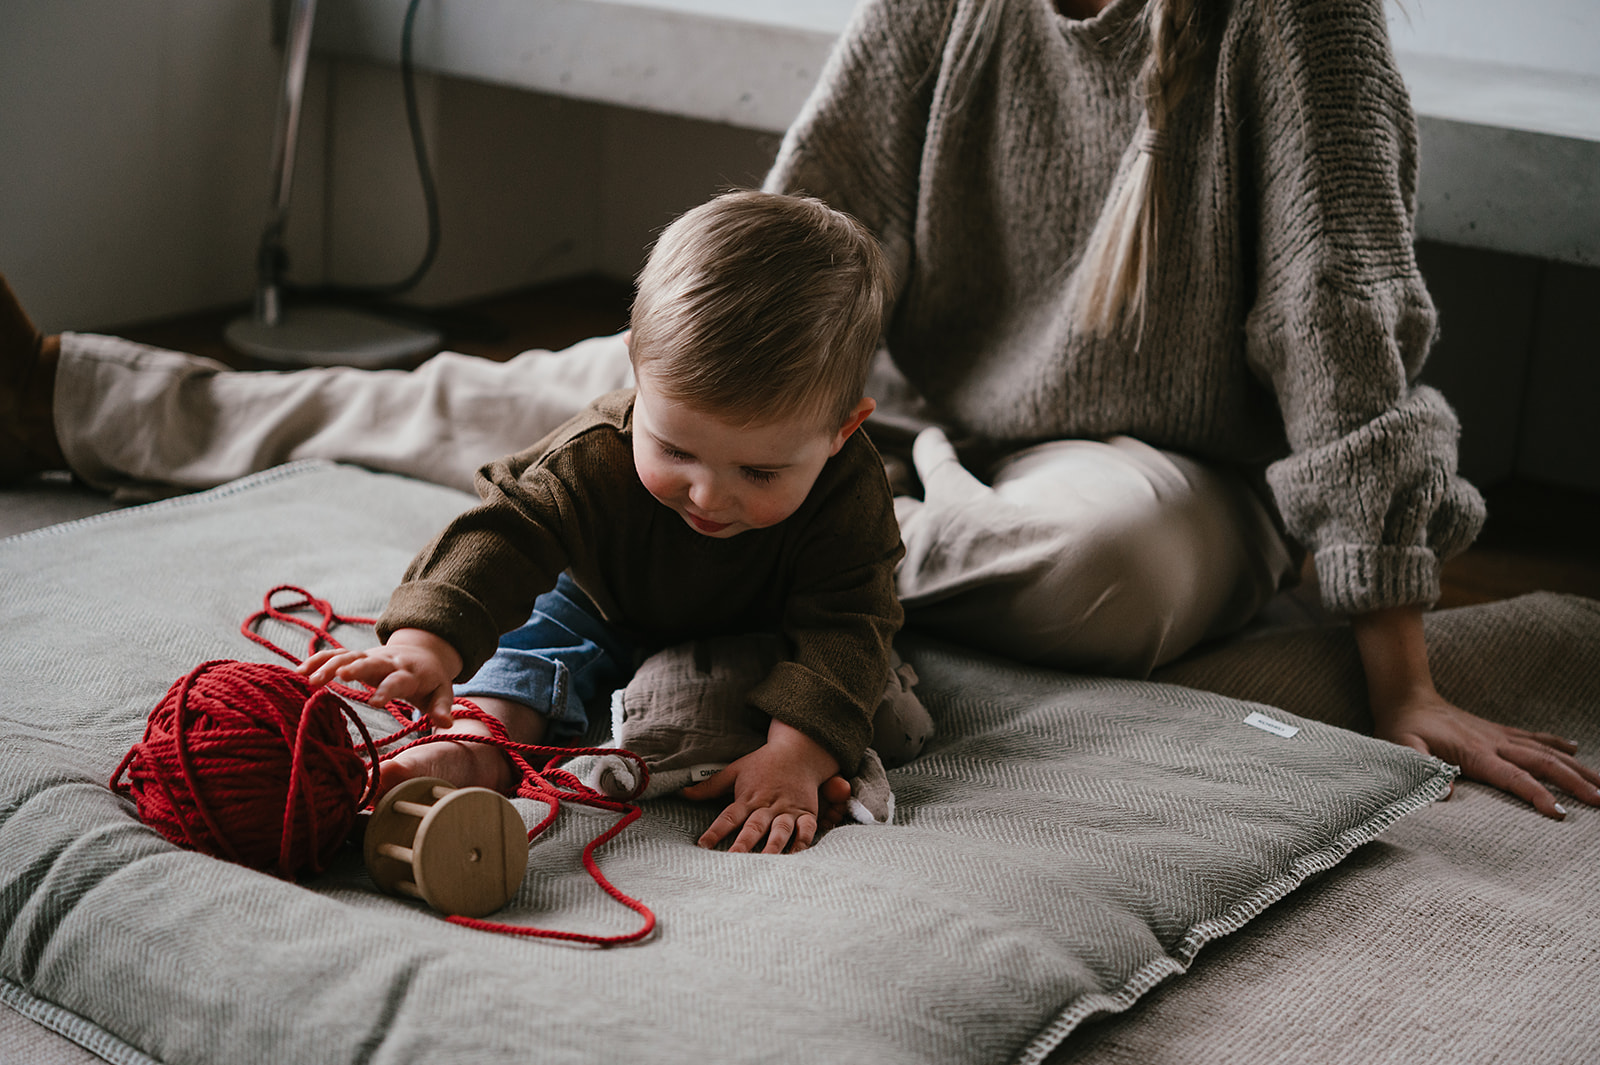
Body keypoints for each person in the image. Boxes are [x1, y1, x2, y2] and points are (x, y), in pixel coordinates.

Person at [3, 0, 1597, 818]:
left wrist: (1399, 668)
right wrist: (693, 427)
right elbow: (797, 243)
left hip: (1152, 472)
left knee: (1099, 564)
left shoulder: (1292, 24)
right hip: (872, 415)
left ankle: (805, 574)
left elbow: (1343, 328)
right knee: (561, 419)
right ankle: (81, 398)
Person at [298, 190, 903, 856]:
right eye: (674, 449)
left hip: (762, 623)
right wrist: (426, 644)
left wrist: (799, 753)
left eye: (759, 473)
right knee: (531, 641)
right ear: (638, 378)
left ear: (841, 431)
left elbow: (848, 620)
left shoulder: (849, 492)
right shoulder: (594, 453)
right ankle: (473, 746)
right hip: (600, 600)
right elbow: (504, 532)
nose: (706, 493)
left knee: (856, 690)